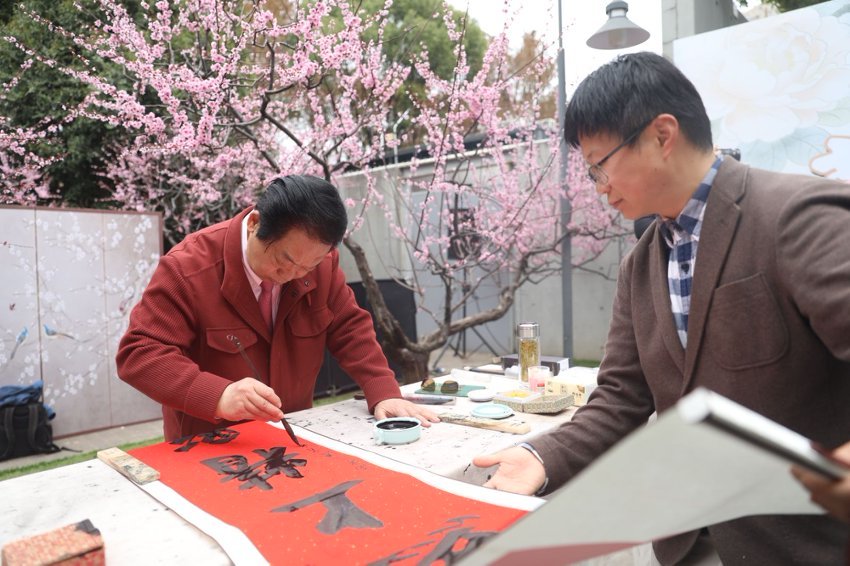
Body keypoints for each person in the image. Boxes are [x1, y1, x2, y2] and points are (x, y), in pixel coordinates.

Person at [472, 52, 850, 564]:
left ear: (662, 136)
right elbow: (621, 399)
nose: (598, 187)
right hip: (687, 540)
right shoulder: (640, 266)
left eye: (599, 165)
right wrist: (541, 456)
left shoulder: (795, 217)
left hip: (800, 544)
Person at [117, 175, 438, 441]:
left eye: (309, 265)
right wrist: (217, 395)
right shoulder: (188, 268)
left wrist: (383, 391)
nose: (293, 275)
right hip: (209, 445)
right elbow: (140, 353)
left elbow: (350, 329)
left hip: (291, 435)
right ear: (255, 224)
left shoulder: (321, 266)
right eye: (284, 260)